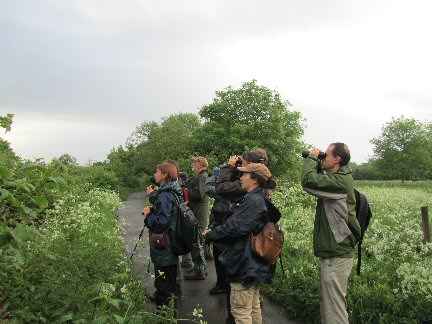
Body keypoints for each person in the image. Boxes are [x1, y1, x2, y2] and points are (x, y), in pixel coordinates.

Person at [203, 163, 277, 324]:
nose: (241, 178)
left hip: (245, 263)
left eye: (244, 175)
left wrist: (212, 234)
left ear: (255, 180)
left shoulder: (253, 201)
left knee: (241, 311)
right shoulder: (259, 198)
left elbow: (235, 228)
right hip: (254, 263)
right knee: (253, 306)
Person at [301, 143, 361, 324]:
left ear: (337, 159)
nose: (323, 156)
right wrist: (318, 161)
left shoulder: (340, 183)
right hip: (335, 252)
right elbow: (314, 182)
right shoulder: (337, 179)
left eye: (326, 155)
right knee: (330, 306)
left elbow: (308, 181)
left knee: (334, 311)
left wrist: (312, 157)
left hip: (337, 253)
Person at [142, 162, 182, 309]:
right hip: (172, 244)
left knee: (163, 288)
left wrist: (148, 215)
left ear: (164, 175)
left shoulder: (165, 195)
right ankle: (172, 314)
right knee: (170, 285)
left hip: (164, 248)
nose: (155, 174)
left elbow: (160, 223)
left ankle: (164, 317)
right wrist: (155, 210)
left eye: (157, 171)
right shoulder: (173, 191)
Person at [183, 156, 208, 280]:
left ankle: (199, 271)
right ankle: (201, 267)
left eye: (194, 163)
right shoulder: (200, 177)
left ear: (199, 165)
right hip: (197, 212)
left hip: (198, 214)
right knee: (197, 242)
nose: (192, 165)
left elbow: (199, 195)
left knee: (197, 243)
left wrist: (186, 190)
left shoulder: (203, 177)